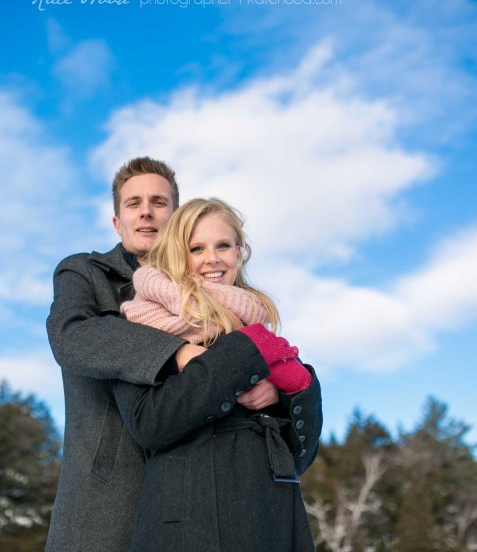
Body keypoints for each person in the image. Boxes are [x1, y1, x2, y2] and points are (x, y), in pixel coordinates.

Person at [45, 158, 319, 552]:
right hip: (111, 490)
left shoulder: (220, 296)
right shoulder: (87, 274)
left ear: (176, 218)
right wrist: (181, 351)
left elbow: (265, 374)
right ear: (117, 222)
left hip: (207, 483)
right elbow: (72, 336)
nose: (146, 211)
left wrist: (285, 386)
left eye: (159, 202)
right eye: (133, 203)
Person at [113, 198, 322, 551]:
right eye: (197, 248)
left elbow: (300, 456)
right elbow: (148, 423)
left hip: (272, 515)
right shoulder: (141, 322)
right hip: (190, 521)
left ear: (239, 253)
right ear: (179, 256)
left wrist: (295, 388)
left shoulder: (261, 329)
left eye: (223, 245)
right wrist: (246, 350)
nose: (212, 258)